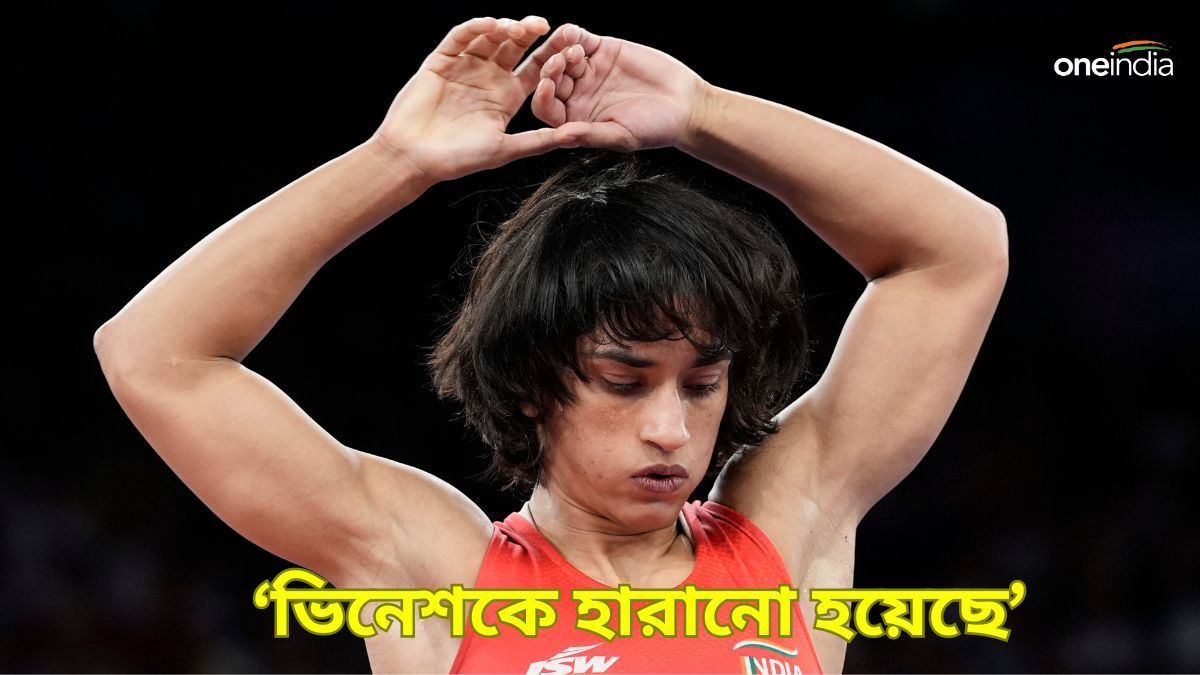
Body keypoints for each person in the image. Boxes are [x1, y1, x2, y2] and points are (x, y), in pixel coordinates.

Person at [93, 14, 1008, 674]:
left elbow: (960, 251)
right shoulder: (440, 571)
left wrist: (705, 113)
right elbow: (155, 353)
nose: (670, 429)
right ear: (533, 382)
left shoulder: (785, 527)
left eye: (701, 383)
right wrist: (395, 163)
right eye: (624, 380)